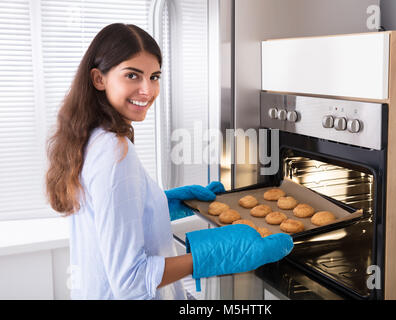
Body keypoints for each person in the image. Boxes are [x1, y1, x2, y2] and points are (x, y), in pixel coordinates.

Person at [45, 23, 293, 300]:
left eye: (154, 77)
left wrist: (156, 205)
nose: (147, 90)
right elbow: (131, 283)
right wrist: (212, 254)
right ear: (99, 79)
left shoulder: (87, 138)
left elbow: (105, 217)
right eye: (132, 75)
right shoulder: (114, 151)